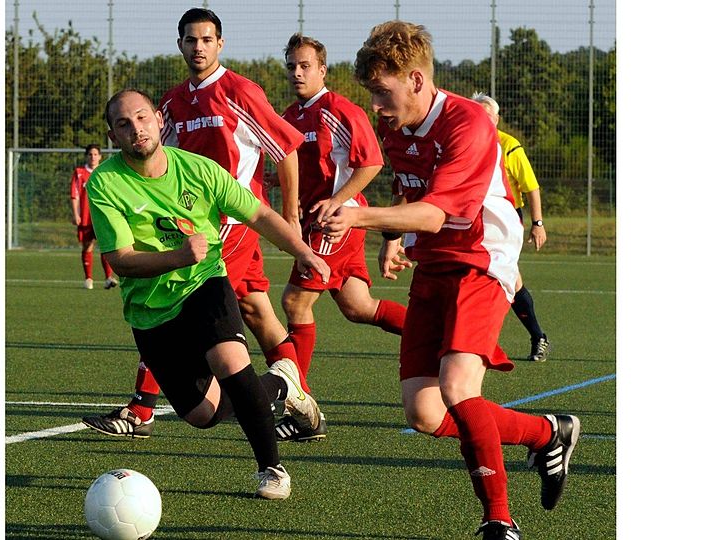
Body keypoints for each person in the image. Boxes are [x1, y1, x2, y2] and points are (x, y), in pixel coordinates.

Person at [320, 21, 580, 538]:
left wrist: (359, 216)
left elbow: (438, 213)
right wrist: (393, 236)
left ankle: (499, 520)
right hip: (435, 260)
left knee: (459, 388)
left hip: (480, 258)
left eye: (382, 91)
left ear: (416, 80)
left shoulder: (467, 123)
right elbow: (409, 194)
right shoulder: (396, 129)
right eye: (371, 93)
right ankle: (547, 432)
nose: (375, 104)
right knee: (424, 412)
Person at [86, 88, 330, 499]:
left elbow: (260, 214)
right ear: (113, 136)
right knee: (204, 414)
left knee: (230, 359)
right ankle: (282, 386)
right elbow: (122, 260)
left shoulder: (200, 170)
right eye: (124, 124)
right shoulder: (105, 184)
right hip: (150, 309)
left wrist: (303, 251)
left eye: (143, 117)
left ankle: (272, 469)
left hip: (205, 282)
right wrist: (178, 255)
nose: (137, 129)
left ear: (160, 121)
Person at [82, 8, 310, 438]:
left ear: (220, 44)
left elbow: (286, 149)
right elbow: (153, 164)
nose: (199, 47)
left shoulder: (242, 92)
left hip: (233, 222)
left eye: (207, 39)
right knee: (258, 311)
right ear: (181, 45)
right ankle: (296, 395)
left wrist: (292, 216)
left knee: (179, 300)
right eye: (191, 40)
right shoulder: (169, 102)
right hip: (194, 219)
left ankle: (142, 408)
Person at [275, 33, 408, 442]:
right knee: (357, 305)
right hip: (319, 223)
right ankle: (433, 335)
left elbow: (371, 163)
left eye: (305, 66)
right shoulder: (289, 116)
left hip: (334, 223)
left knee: (295, 301)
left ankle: (302, 406)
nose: (298, 73)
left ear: (322, 70)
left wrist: (338, 204)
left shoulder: (340, 109)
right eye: (292, 66)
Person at [470, 93, 550, 362]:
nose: (482, 121)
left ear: (497, 119)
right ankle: (478, 342)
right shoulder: (464, 141)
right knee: (488, 276)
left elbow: (531, 187)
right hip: (472, 217)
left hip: (505, 219)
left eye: (487, 116)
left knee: (507, 278)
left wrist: (537, 223)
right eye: (477, 114)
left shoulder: (509, 146)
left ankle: (533, 337)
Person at [70, 144, 118, 290]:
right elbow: (75, 195)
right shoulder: (79, 173)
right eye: (90, 154)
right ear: (86, 156)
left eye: (95, 154)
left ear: (100, 156)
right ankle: (88, 279)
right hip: (86, 216)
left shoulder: (105, 172)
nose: (93, 157)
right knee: (88, 246)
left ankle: (109, 278)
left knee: (107, 246)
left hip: (102, 216)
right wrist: (76, 213)